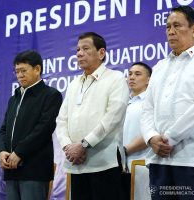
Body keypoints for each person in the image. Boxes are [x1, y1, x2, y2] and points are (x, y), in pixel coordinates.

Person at [141, 6, 194, 200]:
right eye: (168, 26)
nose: (171, 31)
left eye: (177, 25)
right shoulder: (159, 67)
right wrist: (151, 138)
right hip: (160, 160)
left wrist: (169, 138)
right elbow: (147, 108)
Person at [56, 32, 129, 200]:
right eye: (77, 50)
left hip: (105, 163)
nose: (79, 53)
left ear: (101, 53)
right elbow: (61, 120)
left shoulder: (115, 78)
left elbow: (112, 118)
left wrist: (83, 145)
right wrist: (68, 147)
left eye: (85, 49)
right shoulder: (74, 84)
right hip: (77, 163)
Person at [0, 50, 63, 200]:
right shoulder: (14, 98)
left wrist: (19, 152)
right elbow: (3, 129)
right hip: (11, 169)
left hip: (34, 170)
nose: (19, 75)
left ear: (37, 69)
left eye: (23, 71)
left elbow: (44, 129)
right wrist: (1, 151)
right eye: (17, 71)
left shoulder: (51, 95)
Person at [121, 62, 152, 171]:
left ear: (148, 80)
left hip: (141, 163)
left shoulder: (151, 102)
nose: (132, 77)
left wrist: (124, 151)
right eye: (130, 74)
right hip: (119, 165)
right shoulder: (123, 103)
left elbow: (152, 132)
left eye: (137, 74)